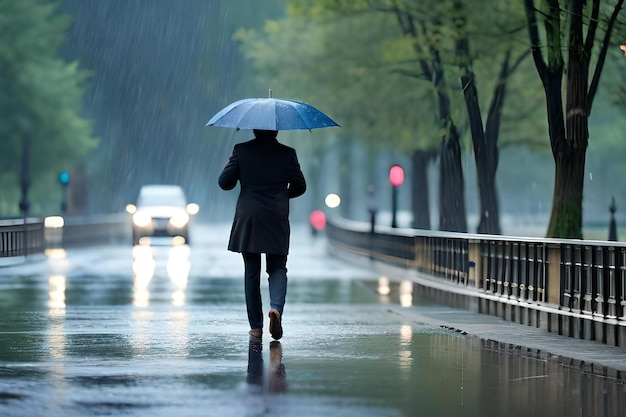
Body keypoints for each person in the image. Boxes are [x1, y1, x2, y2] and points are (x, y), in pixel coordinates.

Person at [218, 129, 306, 340]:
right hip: (276, 216)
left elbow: (224, 182)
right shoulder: (288, 153)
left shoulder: (242, 151)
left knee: (251, 273)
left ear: (254, 130)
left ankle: (256, 326)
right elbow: (300, 186)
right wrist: (281, 193)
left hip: (250, 217)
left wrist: (242, 177)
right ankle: (276, 309)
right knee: (277, 268)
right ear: (276, 131)